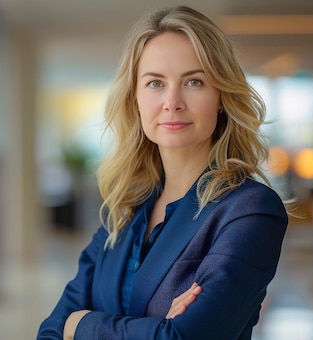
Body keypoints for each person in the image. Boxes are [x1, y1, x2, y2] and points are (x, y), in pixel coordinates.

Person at [37, 6, 289, 339]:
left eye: (194, 81)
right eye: (155, 83)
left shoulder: (250, 211)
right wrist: (155, 329)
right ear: (136, 98)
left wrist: (80, 324)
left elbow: (184, 338)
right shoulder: (123, 210)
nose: (172, 101)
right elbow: (51, 330)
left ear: (221, 97)